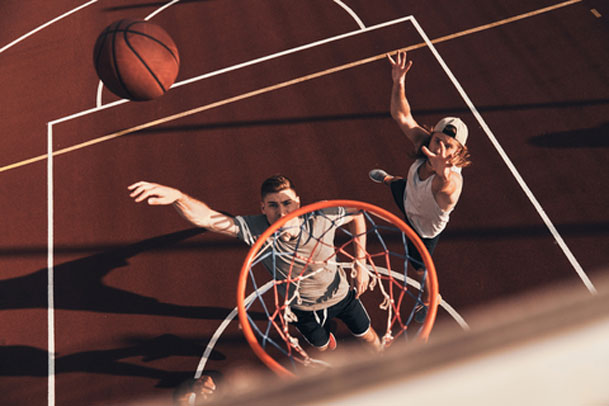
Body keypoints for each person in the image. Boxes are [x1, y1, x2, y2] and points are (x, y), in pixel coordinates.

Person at [128, 175, 381, 352]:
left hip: (341, 296)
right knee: (323, 346)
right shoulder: (257, 229)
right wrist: (177, 196)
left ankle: (381, 358)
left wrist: (361, 261)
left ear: (298, 203)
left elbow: (356, 214)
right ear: (262, 208)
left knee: (369, 337)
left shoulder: (322, 216)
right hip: (301, 308)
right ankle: (327, 342)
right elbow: (208, 219)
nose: (281, 212)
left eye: (287, 203)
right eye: (273, 205)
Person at [369, 50, 471, 322]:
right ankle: (389, 179)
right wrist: (398, 82)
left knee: (418, 267)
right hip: (407, 195)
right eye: (438, 139)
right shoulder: (425, 145)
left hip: (423, 228)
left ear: (459, 152)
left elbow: (445, 189)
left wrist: (442, 173)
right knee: (396, 184)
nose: (440, 147)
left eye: (448, 146)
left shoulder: (452, 181)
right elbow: (401, 115)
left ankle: (428, 298)